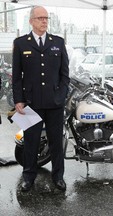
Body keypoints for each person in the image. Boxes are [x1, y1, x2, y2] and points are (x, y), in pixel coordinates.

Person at [12, 6, 70, 192]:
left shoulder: (58, 43)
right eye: (40, 18)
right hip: (31, 103)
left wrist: (61, 95)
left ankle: (58, 177)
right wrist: (19, 100)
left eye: (46, 18)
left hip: (54, 103)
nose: (44, 21)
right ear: (31, 21)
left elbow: (65, 75)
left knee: (56, 143)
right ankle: (28, 177)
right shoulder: (21, 43)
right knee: (31, 142)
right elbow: (17, 75)